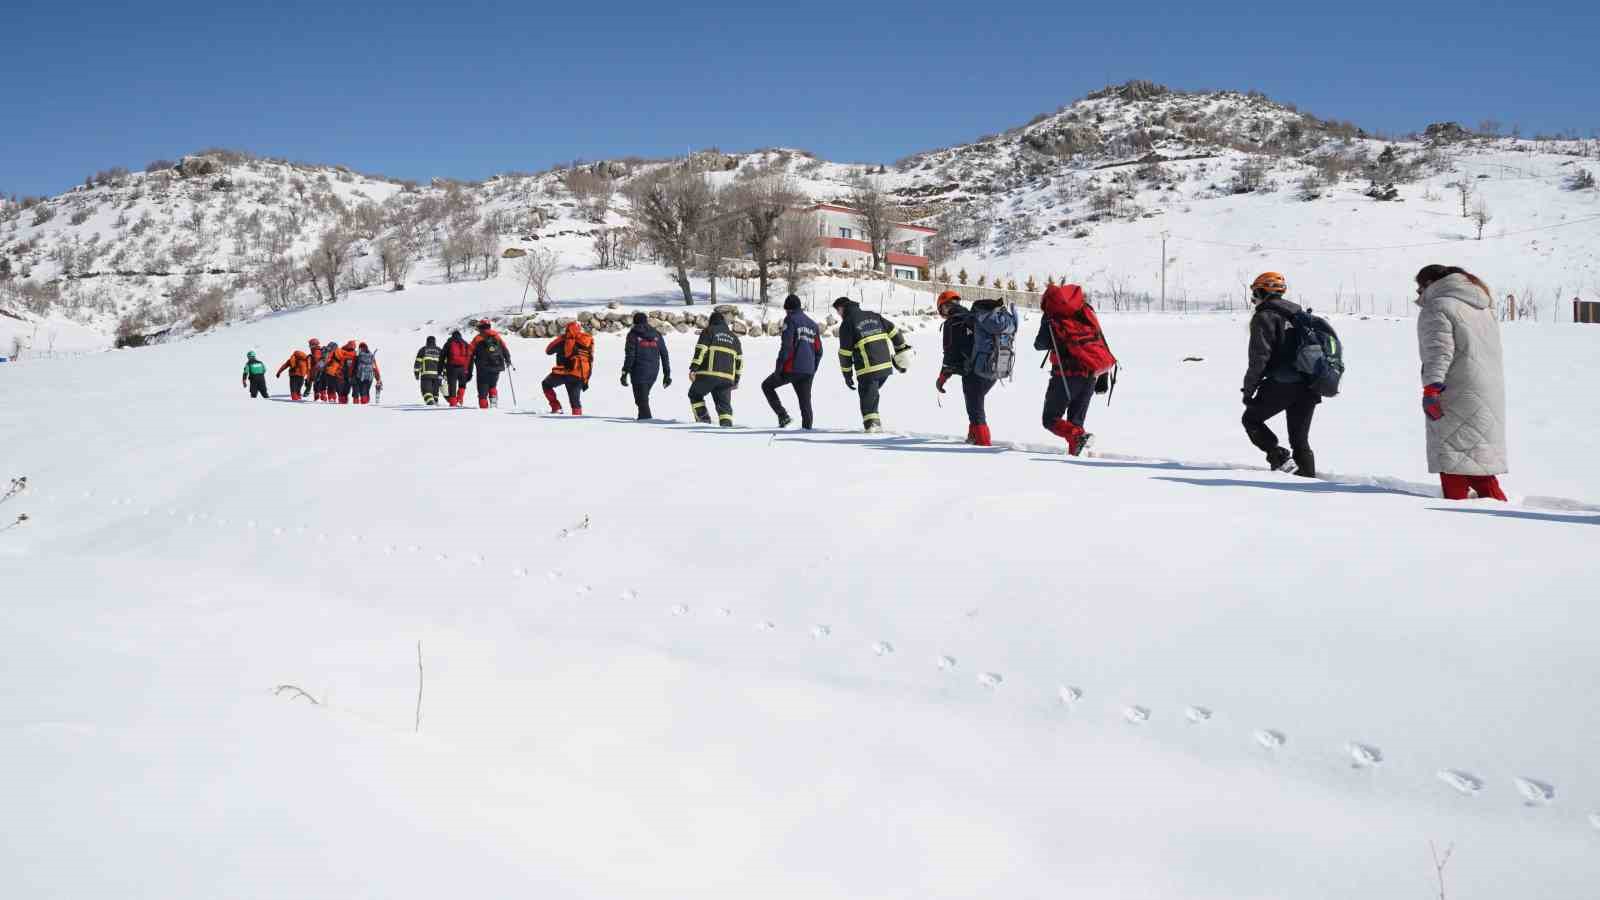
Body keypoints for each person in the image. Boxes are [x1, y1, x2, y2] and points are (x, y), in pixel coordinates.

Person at [1416, 265, 1508, 500]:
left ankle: (1457, 513)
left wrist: (1431, 388)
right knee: (1475, 459)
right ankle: (1501, 510)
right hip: (1486, 389)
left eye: (1419, 287)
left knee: (1453, 458)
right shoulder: (1481, 306)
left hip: (1455, 389)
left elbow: (1439, 352)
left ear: (1429, 284)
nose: (1418, 293)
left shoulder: (1438, 306)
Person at [1240, 272, 1318, 476]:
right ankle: (1309, 481)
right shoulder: (1299, 314)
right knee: (1300, 441)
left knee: (1251, 420)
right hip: (1310, 384)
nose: (1253, 299)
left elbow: (1259, 358)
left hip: (1282, 384)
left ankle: (1279, 457)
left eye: (1254, 294)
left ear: (1262, 291)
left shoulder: (1264, 316)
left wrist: (1249, 391)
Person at [1035, 283, 1116, 456]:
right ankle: (1076, 458)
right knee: (1076, 422)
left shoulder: (1053, 316)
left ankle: (1077, 437)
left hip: (1065, 375)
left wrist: (1046, 322)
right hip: (1090, 373)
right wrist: (1103, 376)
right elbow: (1100, 341)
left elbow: (1040, 344)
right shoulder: (1085, 310)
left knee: (1050, 419)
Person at [936, 290, 1006, 446]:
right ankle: (973, 437)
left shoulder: (953, 322)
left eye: (941, 308)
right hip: (993, 368)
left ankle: (983, 444)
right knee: (975, 405)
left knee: (976, 411)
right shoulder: (975, 318)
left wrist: (942, 377)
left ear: (945, 307)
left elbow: (950, 355)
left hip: (975, 372)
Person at [833, 297, 911, 433]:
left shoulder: (847, 323)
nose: (838, 315)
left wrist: (847, 375)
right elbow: (894, 331)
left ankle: (872, 425)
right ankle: (874, 422)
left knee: (867, 395)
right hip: (886, 367)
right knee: (872, 393)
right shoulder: (874, 315)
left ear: (841, 308)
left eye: (838, 311)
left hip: (867, 368)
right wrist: (900, 349)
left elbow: (845, 353)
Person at [762, 295, 822, 429]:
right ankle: (807, 430)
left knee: (767, 386)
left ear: (788, 309)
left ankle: (783, 416)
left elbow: (787, 346)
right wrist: (812, 368)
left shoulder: (790, 320)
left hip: (792, 368)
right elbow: (819, 351)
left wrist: (779, 367)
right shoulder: (813, 325)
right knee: (805, 402)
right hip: (808, 370)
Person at [687, 310, 742, 426]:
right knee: (724, 406)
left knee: (694, 394)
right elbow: (739, 361)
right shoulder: (734, 338)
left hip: (708, 374)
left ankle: (703, 420)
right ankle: (726, 428)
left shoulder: (709, 331)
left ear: (711, 321)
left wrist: (694, 368)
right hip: (727, 378)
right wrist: (736, 380)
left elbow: (701, 349)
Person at [621, 312, 671, 420]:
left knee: (641, 401)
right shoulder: (656, 334)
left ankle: (647, 423)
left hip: (638, 372)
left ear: (634, 322)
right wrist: (667, 374)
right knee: (642, 399)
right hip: (653, 372)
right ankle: (642, 421)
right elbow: (664, 354)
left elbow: (630, 355)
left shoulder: (633, 334)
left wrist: (624, 373)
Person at [541, 321, 593, 414]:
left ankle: (556, 407)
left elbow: (548, 350)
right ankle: (577, 419)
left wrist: (561, 337)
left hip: (565, 372)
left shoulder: (564, 339)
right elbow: (590, 358)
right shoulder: (586, 339)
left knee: (546, 384)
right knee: (575, 401)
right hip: (582, 374)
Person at [467, 319, 514, 409]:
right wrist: (508, 360)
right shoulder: (497, 336)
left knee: (482, 390)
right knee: (493, 385)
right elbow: (504, 348)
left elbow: (469, 353)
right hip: (497, 366)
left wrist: (468, 369)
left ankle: (484, 409)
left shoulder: (477, 338)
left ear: (480, 327)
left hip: (483, 368)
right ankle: (493, 403)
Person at [441, 329, 472, 407]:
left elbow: (442, 357)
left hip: (451, 368)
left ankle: (453, 403)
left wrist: (439, 370)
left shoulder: (448, 343)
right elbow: (470, 359)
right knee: (462, 385)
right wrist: (470, 372)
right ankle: (460, 399)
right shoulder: (465, 343)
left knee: (452, 385)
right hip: (463, 369)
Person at [413, 336, 443, 405]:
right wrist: (444, 374)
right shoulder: (439, 350)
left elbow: (418, 362)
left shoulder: (423, 349)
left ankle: (430, 403)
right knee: (435, 392)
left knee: (426, 391)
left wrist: (416, 373)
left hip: (426, 374)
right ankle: (435, 402)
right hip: (437, 376)